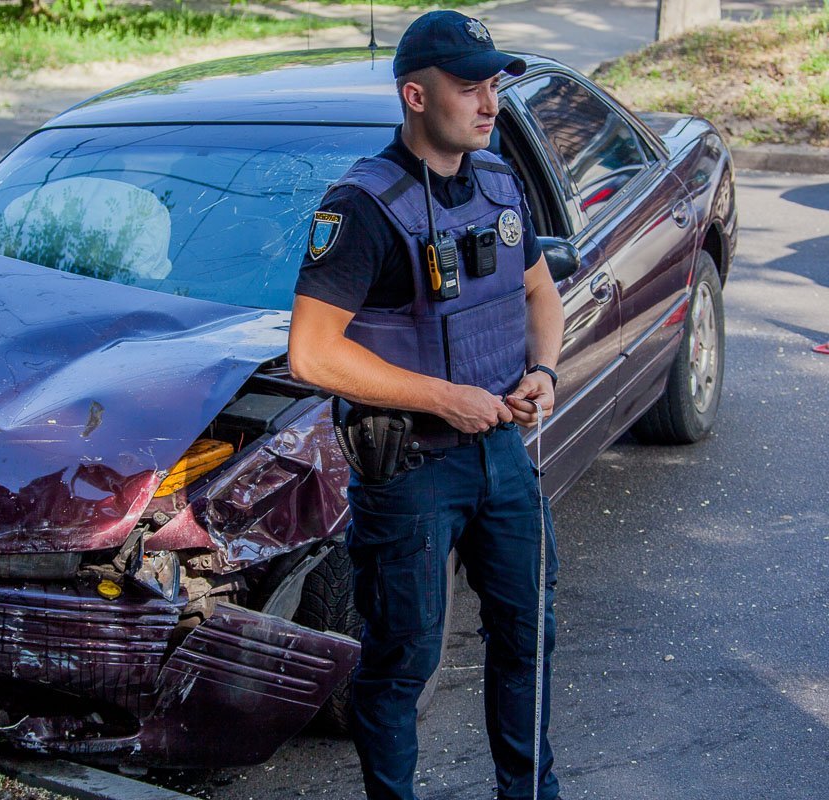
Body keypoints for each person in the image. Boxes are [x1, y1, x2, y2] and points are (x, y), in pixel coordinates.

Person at [287, 10, 566, 800]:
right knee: (402, 658)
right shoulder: (364, 208)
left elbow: (540, 293)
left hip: (502, 456)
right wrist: (445, 397)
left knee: (527, 640)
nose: (490, 104)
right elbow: (312, 352)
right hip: (409, 472)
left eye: (494, 88)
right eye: (469, 87)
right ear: (415, 95)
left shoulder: (502, 183)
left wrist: (543, 367)